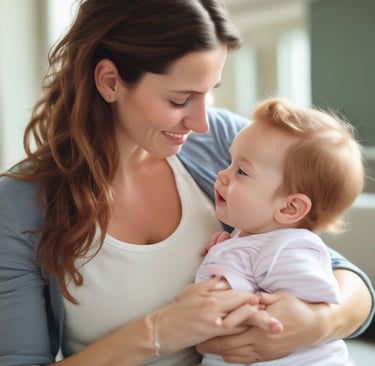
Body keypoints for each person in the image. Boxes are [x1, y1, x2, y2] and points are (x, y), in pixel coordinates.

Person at [0, 1, 373, 365]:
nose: (200, 123)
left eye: (209, 91)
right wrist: (159, 331)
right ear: (110, 81)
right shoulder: (19, 207)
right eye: (180, 100)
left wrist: (315, 324)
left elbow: (345, 280)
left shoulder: (223, 142)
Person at [195, 98, 366, 365]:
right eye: (230, 162)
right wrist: (225, 250)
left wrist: (226, 277)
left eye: (241, 171)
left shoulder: (288, 251)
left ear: (289, 208)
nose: (222, 175)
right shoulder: (255, 238)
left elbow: (306, 308)